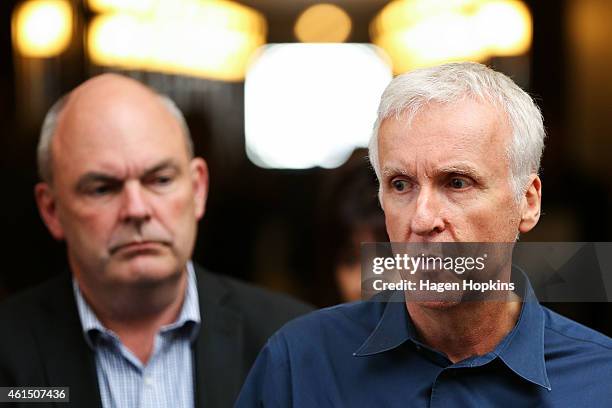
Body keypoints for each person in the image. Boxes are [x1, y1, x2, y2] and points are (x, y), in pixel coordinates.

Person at [236, 62, 612, 407]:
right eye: (401, 185)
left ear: (527, 202)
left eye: (457, 182)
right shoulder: (299, 363)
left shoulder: (599, 380)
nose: (422, 218)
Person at [0, 74, 312, 407]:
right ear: (51, 210)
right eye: (102, 188)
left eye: (160, 180)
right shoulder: (8, 350)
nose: (136, 209)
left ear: (197, 189)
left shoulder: (290, 339)